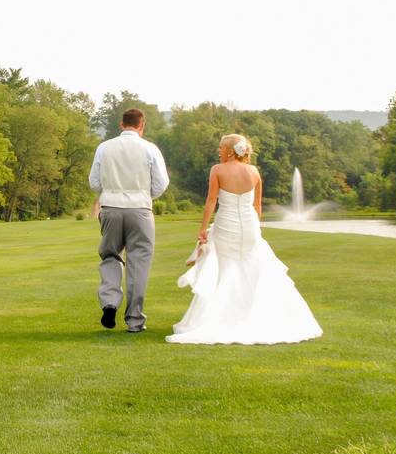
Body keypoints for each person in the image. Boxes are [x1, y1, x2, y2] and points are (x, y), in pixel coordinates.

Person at [166, 134, 323, 345]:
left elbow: (212, 200)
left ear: (231, 151)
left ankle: (221, 318)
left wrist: (203, 228)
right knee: (252, 267)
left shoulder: (218, 170)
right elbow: (257, 206)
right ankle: (259, 315)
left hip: (226, 224)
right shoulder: (254, 171)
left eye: (221, 147)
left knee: (225, 268)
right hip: (249, 226)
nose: (218, 151)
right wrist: (255, 228)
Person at [88, 108, 169, 332]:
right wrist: (143, 195)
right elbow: (161, 184)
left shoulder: (104, 147)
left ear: (122, 125)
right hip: (140, 208)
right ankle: (134, 320)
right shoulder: (150, 149)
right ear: (142, 126)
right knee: (139, 263)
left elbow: (94, 182)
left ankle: (110, 302)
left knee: (110, 256)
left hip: (111, 207)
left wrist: (111, 192)